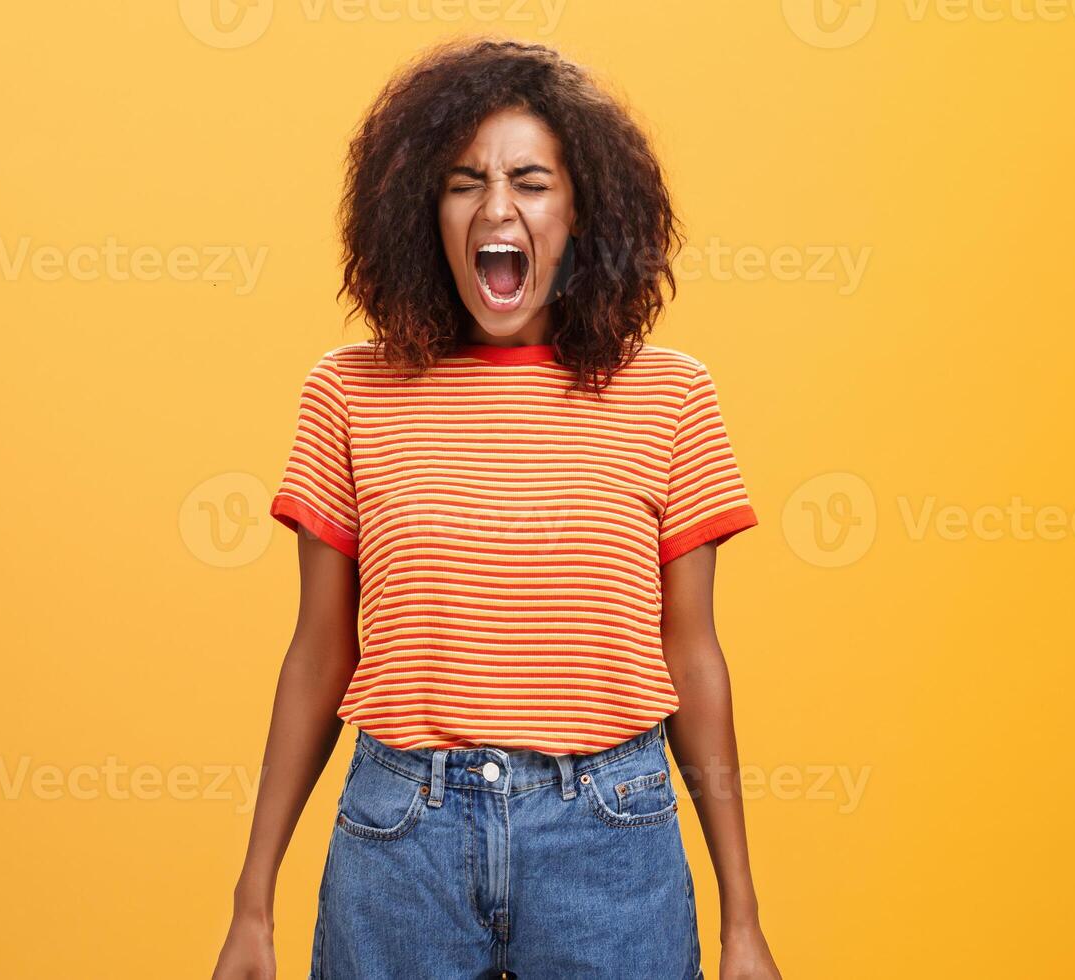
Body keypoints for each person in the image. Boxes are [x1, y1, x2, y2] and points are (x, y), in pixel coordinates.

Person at [212, 38, 783, 980]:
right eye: (463, 182)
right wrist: (252, 899)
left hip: (612, 836)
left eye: (531, 181)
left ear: (583, 212)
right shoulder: (350, 392)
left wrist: (743, 919)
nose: (497, 208)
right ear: (421, 213)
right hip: (402, 840)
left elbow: (693, 654)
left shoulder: (670, 396)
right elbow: (320, 650)